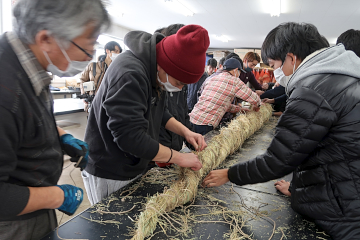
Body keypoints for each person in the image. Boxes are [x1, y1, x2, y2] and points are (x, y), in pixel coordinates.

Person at [202, 22, 360, 239]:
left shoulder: (312, 90)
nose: (276, 73)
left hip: (345, 212)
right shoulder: (344, 78)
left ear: (291, 58)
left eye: (274, 64)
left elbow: (278, 160)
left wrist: (229, 174)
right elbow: (332, 149)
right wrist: (299, 190)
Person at [0, 0, 110, 239]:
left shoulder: (30, 64)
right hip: (13, 222)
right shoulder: (6, 91)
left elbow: (29, 121)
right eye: (85, 49)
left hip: (35, 202)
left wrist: (63, 137)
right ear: (46, 39)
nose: (89, 57)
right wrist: (57, 196)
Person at [82, 25, 209, 205]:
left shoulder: (156, 71)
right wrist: (180, 157)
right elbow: (130, 137)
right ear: (165, 66)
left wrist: (185, 132)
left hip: (133, 162)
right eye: (179, 82)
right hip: (111, 168)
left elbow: (157, 110)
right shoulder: (130, 73)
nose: (180, 88)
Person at [190, 58, 261, 135]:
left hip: (192, 119)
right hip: (205, 124)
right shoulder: (234, 81)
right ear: (235, 70)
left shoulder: (212, 78)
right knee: (202, 146)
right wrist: (258, 105)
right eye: (239, 72)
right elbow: (253, 97)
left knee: (193, 146)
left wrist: (239, 109)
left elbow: (221, 104)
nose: (239, 74)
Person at [157, 24, 192, 167]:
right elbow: (132, 134)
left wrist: (188, 134)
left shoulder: (179, 80)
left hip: (173, 149)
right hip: (157, 153)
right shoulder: (141, 76)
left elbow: (182, 112)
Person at [80, 41, 122, 111]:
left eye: (119, 52)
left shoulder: (118, 68)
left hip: (110, 104)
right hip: (94, 102)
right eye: (116, 51)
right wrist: (85, 95)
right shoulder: (92, 66)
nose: (118, 54)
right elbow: (83, 80)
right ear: (107, 51)